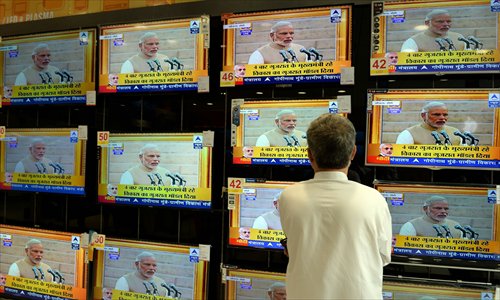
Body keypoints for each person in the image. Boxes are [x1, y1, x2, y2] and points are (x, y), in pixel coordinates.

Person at [279, 113, 392, 299]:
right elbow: (384, 257)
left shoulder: (288, 196)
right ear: (353, 152)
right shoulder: (374, 199)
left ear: (309, 154)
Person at [395, 102, 462, 145]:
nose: (442, 118)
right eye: (436, 114)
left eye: (445, 115)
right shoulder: (409, 133)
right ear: (423, 115)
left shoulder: (455, 133)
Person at [401, 9, 466, 52]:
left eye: (448, 21)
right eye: (440, 22)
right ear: (427, 23)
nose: (446, 24)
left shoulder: (459, 38)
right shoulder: (413, 41)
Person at [399, 196, 464, 238]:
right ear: (425, 209)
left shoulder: (456, 226)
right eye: (438, 208)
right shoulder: (411, 226)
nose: (443, 211)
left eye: (446, 209)